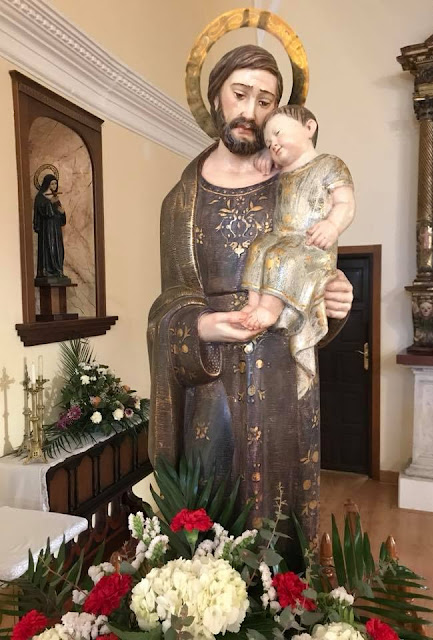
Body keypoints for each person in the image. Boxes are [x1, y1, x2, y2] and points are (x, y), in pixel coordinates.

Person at [147, 45, 353, 547]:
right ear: (215, 98)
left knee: (282, 527)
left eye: (265, 102)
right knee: (212, 522)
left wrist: (333, 298)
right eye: (239, 94)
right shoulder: (182, 200)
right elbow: (168, 306)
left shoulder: (298, 183)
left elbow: (315, 271)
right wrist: (202, 326)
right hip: (212, 380)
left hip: (282, 374)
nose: (250, 112)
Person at [241, 105, 355, 397]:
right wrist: (265, 154)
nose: (273, 143)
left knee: (280, 256)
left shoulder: (329, 164)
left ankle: (268, 311)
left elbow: (345, 203)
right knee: (260, 248)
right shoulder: (281, 171)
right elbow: (263, 162)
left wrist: (332, 225)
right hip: (283, 237)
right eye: (268, 141)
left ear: (309, 128)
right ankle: (254, 304)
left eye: (278, 133)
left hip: (313, 246)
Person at [33, 174, 66, 280]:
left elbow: (59, 213)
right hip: (47, 228)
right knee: (49, 248)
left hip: (56, 228)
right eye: (52, 183)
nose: (54, 186)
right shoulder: (40, 197)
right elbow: (41, 211)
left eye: (55, 183)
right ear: (47, 184)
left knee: (58, 248)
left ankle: (58, 269)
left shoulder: (55, 197)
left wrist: (62, 213)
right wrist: (50, 203)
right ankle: (47, 270)